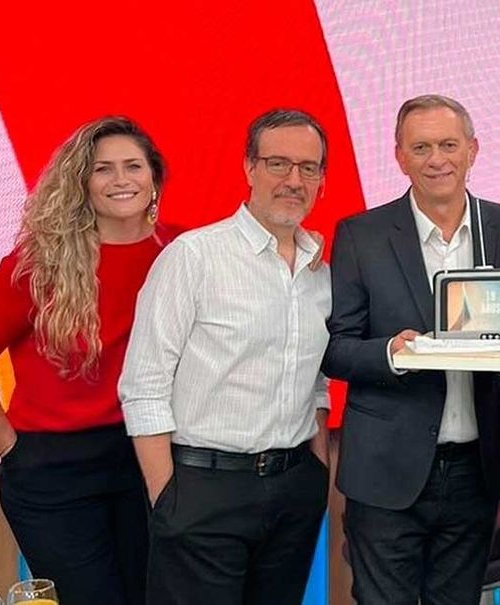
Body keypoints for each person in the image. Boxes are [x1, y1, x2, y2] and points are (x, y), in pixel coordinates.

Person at [0, 116, 171, 605]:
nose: (121, 179)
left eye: (133, 166)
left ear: (154, 177)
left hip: (150, 456)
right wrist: (12, 449)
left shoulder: (184, 253)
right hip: (53, 473)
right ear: (81, 182)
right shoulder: (41, 264)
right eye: (103, 168)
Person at [322, 94, 500, 605]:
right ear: (399, 157)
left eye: (448, 145)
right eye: (420, 147)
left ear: (473, 150)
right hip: (384, 470)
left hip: (475, 471)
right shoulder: (360, 234)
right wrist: (392, 354)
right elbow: (335, 349)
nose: (436, 159)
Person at [119, 109, 333, 605]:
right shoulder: (194, 256)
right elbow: (143, 385)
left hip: (294, 489)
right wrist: (168, 499)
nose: (294, 180)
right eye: (278, 163)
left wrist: (317, 469)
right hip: (202, 491)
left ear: (321, 180)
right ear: (249, 167)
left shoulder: (320, 272)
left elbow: (316, 381)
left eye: (308, 167)